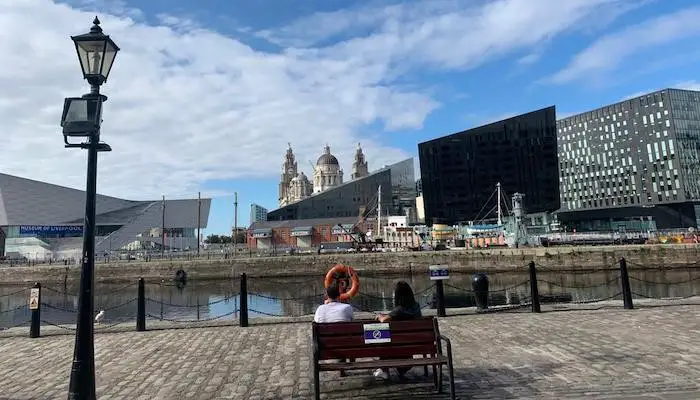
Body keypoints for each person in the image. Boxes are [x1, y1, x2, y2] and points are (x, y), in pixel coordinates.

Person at [373, 280, 422, 380]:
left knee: (384, 341)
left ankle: (384, 370)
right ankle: (401, 368)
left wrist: (379, 316)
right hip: (413, 343)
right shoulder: (416, 307)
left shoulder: (399, 309)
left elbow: (383, 320)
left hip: (396, 345)